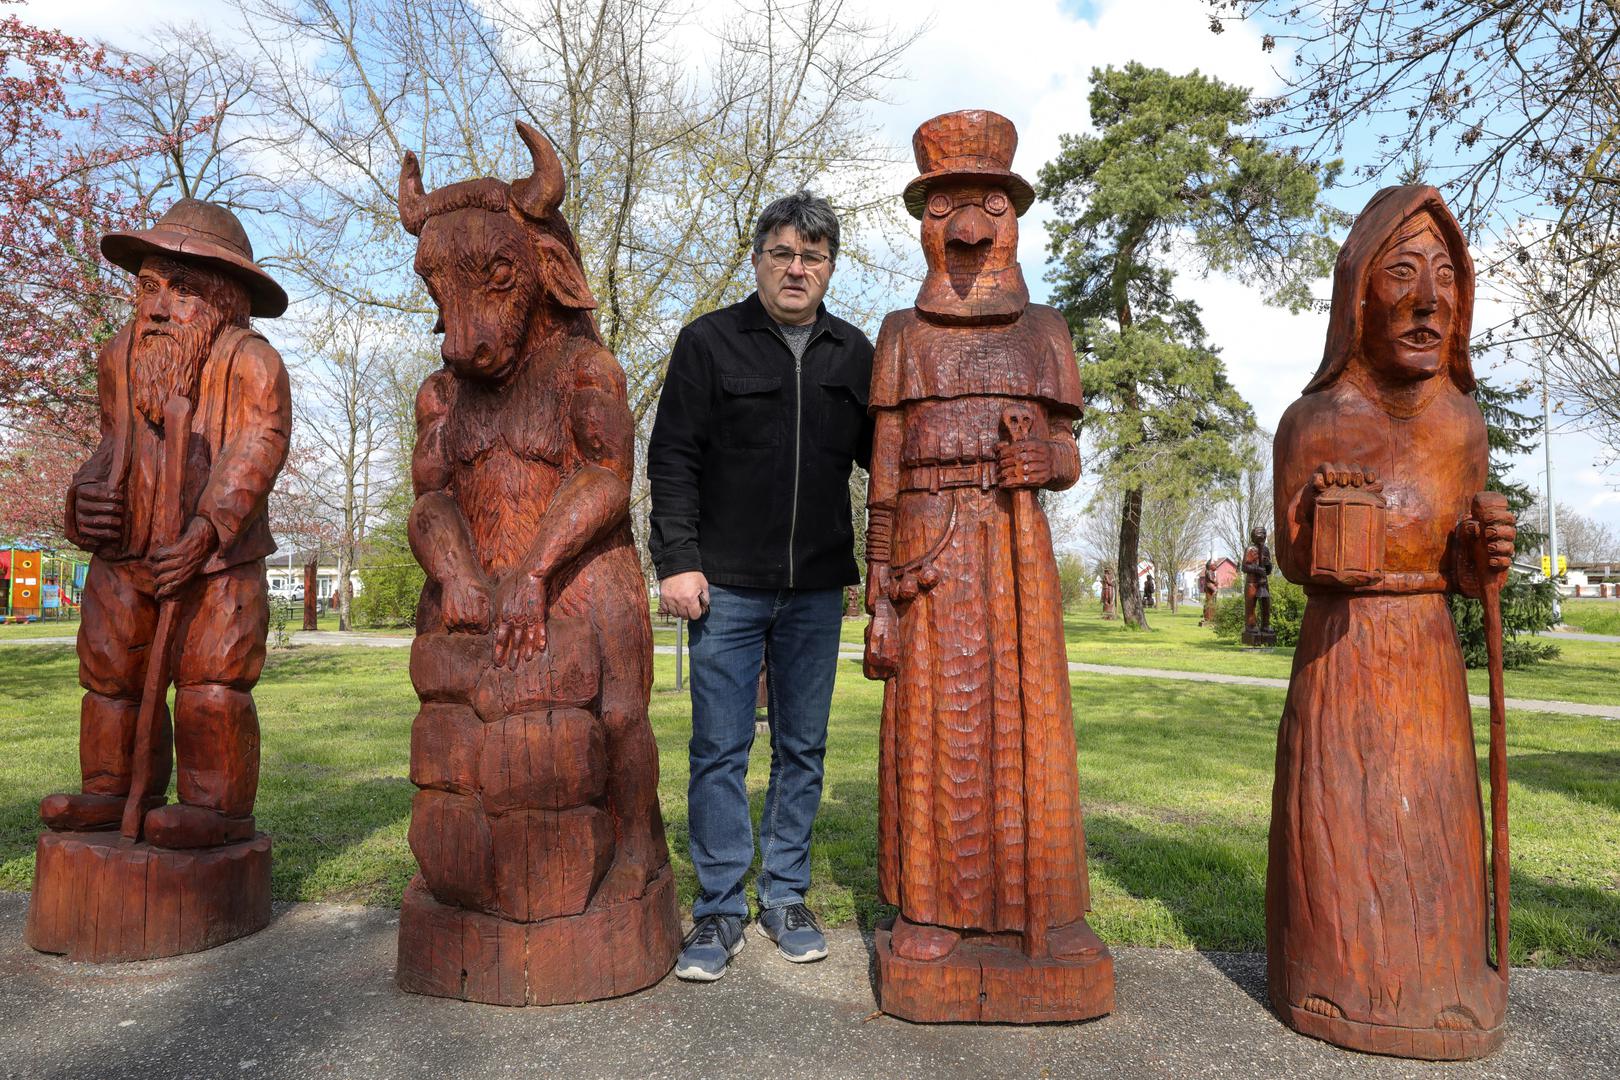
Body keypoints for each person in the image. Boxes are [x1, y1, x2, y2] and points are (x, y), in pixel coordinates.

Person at [1268, 185, 1516, 1058]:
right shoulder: (1315, 421)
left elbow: (1459, 566)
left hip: (1426, 657)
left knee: (1433, 819)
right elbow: (1297, 560)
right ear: (1357, 298)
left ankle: (1445, 978)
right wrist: (1328, 533)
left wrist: (1483, 551)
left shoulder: (1461, 425)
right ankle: (1329, 977)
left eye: (1445, 278)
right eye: (1400, 274)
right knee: (1342, 816)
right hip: (1343, 657)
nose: (1425, 300)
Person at [647, 191, 874, 980]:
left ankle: (784, 894)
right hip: (727, 585)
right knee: (719, 748)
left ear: (830, 269)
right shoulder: (709, 342)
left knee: (802, 747)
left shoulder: (857, 354)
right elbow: (672, 455)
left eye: (813, 257)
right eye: (783, 253)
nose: (797, 269)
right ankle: (716, 911)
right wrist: (676, 559)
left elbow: (895, 463)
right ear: (757, 260)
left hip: (817, 589)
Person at [45, 198, 291, 848]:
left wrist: (207, 529)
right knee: (109, 675)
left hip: (215, 560)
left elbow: (257, 447)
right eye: (148, 287)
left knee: (213, 679)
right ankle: (111, 791)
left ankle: (215, 806)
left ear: (222, 301)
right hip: (126, 554)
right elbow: (108, 442)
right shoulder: (120, 357)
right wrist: (86, 497)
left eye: (180, 292)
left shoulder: (250, 362)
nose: (157, 307)